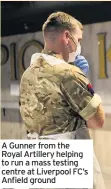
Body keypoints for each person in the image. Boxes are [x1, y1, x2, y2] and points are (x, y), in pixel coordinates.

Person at [19, 12, 105, 188]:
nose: (79, 45)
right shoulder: (69, 73)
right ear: (67, 36)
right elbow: (97, 121)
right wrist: (82, 81)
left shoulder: (27, 75)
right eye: (78, 40)